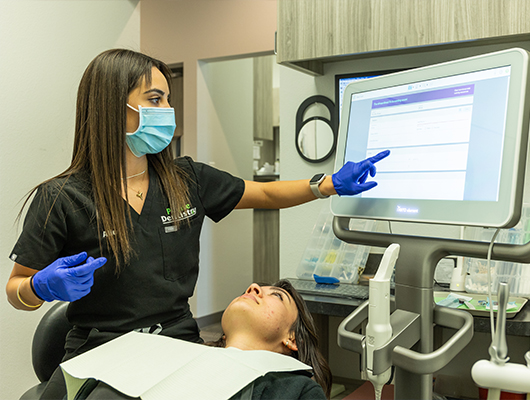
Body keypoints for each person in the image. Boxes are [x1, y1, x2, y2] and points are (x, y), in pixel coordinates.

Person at [5, 49, 389, 399]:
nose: (167, 109)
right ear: (111, 107)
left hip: (175, 342)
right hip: (98, 352)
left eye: (168, 99)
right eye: (155, 99)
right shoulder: (63, 198)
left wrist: (328, 185)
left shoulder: (186, 179)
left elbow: (266, 195)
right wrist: (38, 286)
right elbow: (16, 288)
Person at [67, 280, 331, 400]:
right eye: (254, 287)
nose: (253, 288)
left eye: (277, 296)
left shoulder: (294, 389)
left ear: (292, 338)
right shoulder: (179, 357)